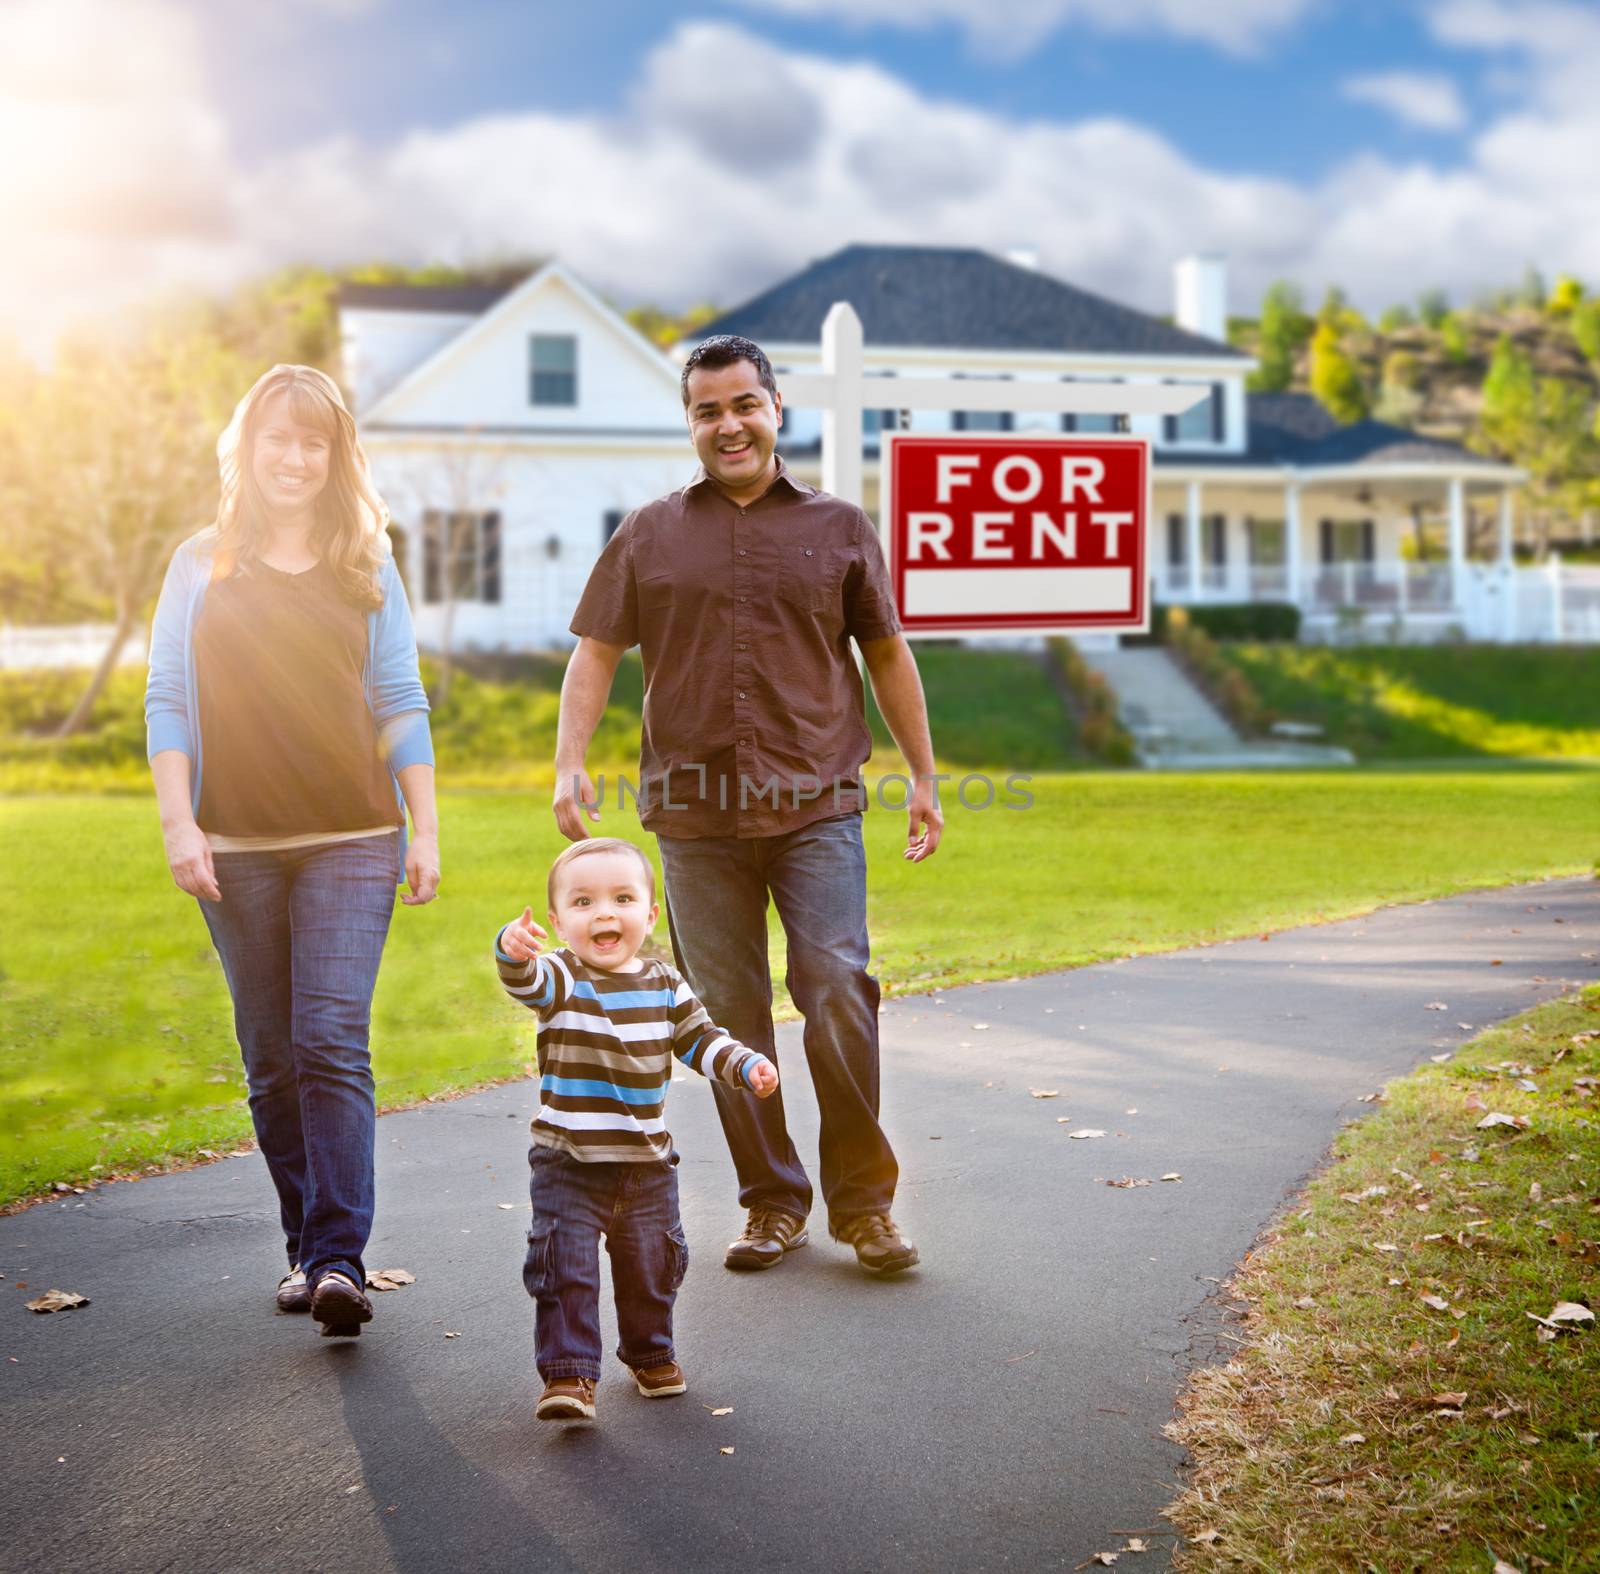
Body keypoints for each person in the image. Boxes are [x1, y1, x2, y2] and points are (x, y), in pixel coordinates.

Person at [553, 334, 942, 1278]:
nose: (727, 424)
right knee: (727, 1018)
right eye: (705, 410)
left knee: (836, 990)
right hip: (693, 819)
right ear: (690, 422)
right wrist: (570, 762)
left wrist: (923, 776)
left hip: (816, 802)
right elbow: (597, 651)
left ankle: (866, 1207)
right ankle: (772, 1203)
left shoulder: (841, 526)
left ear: (776, 410)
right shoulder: (649, 532)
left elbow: (886, 653)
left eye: (742, 405)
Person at [145, 363, 439, 1339]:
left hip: (353, 836)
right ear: (249, 445)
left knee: (326, 1035)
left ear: (334, 456)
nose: (295, 457)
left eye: (314, 441)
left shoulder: (366, 563)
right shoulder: (199, 562)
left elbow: (398, 696)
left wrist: (423, 824)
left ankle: (339, 1258)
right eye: (279, 437)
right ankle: (306, 1246)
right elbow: (168, 702)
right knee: (271, 1056)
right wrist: (179, 822)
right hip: (233, 845)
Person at [493, 837, 778, 1421]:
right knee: (563, 1267)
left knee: (651, 1267)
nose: (604, 913)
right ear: (557, 920)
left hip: (646, 1163)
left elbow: (701, 1039)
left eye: (622, 898)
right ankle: (569, 1375)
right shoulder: (563, 977)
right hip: (567, 1162)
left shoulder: (665, 984)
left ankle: (650, 1352)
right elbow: (526, 982)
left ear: (649, 915)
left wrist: (744, 1064)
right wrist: (512, 950)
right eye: (583, 902)